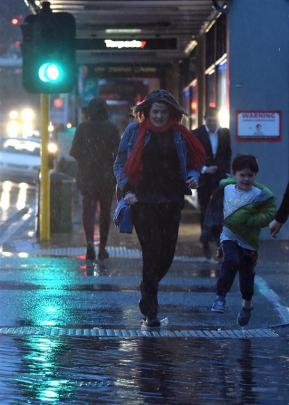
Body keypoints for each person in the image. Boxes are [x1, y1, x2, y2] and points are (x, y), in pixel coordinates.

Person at [113, 89, 206, 327]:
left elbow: (195, 163)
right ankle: (150, 310)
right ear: (146, 112)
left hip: (172, 200)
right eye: (155, 111)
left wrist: (194, 176)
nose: (159, 116)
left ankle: (147, 286)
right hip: (142, 201)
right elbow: (120, 163)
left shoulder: (179, 134)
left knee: (167, 255)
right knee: (151, 251)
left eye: (164, 112)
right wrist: (126, 189)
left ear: (172, 114)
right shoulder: (134, 132)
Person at [203, 154, 275, 326]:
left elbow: (269, 213)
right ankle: (220, 296)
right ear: (234, 174)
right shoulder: (225, 190)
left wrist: (253, 221)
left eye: (250, 175)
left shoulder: (260, 195)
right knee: (230, 260)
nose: (246, 179)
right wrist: (212, 230)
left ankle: (247, 305)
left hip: (249, 241)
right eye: (242, 175)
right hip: (228, 236)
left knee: (246, 279)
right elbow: (214, 209)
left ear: (256, 175)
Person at [70, 97, 119, 261]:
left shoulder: (83, 128)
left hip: (87, 176)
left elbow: (75, 152)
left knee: (88, 211)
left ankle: (90, 243)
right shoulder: (111, 128)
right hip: (106, 177)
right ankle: (103, 248)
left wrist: (87, 159)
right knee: (105, 212)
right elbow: (118, 153)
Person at [192, 108, 231, 258]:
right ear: (205, 119)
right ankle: (205, 236)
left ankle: (217, 236)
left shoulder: (226, 133)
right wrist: (204, 168)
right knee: (204, 206)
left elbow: (227, 153)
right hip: (204, 176)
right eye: (209, 119)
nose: (212, 121)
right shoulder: (197, 134)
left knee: (219, 207)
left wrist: (226, 171)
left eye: (214, 119)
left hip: (221, 176)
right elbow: (193, 155)